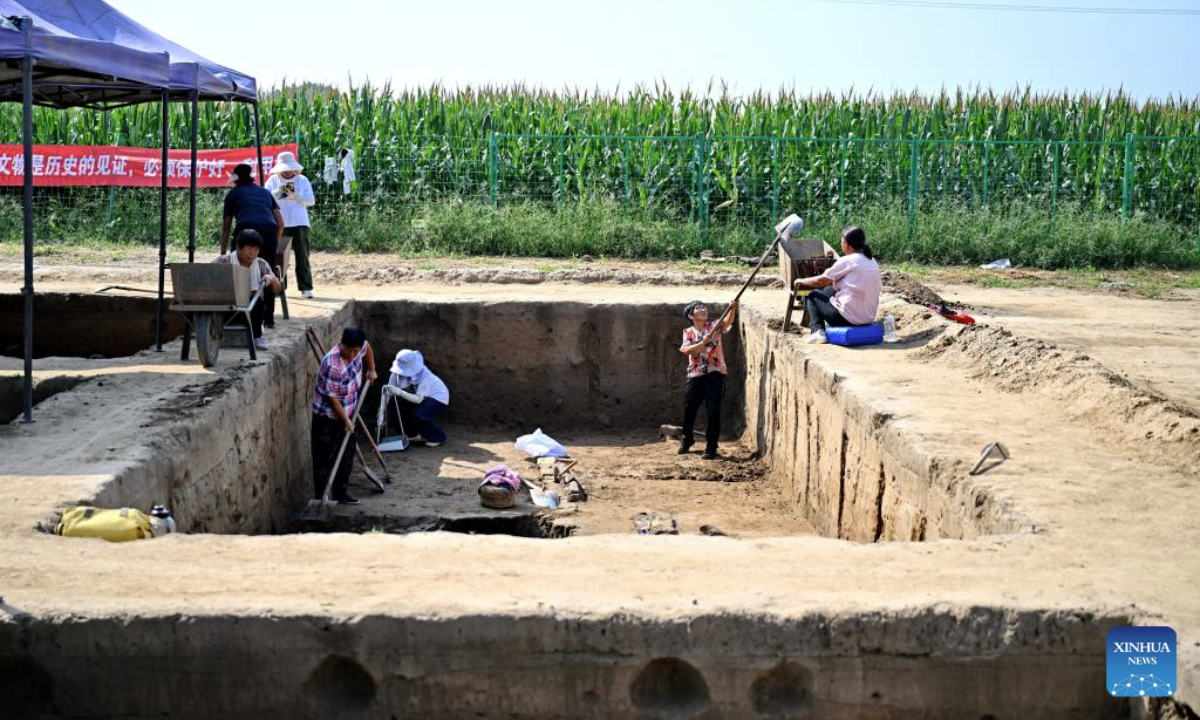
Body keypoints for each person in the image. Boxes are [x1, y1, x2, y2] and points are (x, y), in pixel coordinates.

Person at [311, 327, 377, 506]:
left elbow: (367, 347)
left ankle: (341, 493)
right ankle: (321, 499)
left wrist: (371, 369)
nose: (354, 354)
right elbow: (332, 398)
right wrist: (346, 420)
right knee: (324, 459)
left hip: (349, 412)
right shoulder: (332, 364)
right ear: (342, 345)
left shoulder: (359, 349)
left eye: (357, 350)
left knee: (347, 455)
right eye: (351, 350)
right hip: (327, 418)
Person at [221, 163, 285, 329]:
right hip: (269, 232)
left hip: (245, 230)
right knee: (267, 273)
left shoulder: (233, 194)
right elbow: (281, 223)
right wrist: (272, 243)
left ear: (235, 179)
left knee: (238, 271)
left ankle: (238, 316)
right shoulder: (265, 192)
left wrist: (223, 251)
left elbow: (226, 225)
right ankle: (268, 320)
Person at [795, 226, 882, 344]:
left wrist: (800, 280)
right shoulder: (872, 261)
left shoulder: (847, 260)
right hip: (868, 317)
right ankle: (812, 324)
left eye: (841, 241)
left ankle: (817, 332)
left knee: (813, 295)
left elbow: (821, 280)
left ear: (846, 244)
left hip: (848, 319)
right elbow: (829, 284)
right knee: (829, 289)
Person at [678, 299, 738, 460]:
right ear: (691, 315)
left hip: (715, 372)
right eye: (698, 308)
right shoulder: (688, 332)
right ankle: (687, 439)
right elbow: (688, 350)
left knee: (713, 410)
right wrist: (703, 343)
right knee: (689, 408)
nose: (703, 309)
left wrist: (732, 308)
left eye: (704, 307)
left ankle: (711, 447)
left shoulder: (714, 326)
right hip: (696, 374)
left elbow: (727, 322)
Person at [212, 230, 281, 351]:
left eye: (256, 250)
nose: (252, 253)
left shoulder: (261, 264)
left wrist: (271, 279)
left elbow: (278, 289)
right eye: (249, 248)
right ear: (239, 247)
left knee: (258, 300)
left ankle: (257, 336)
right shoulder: (223, 261)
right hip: (225, 307)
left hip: (250, 310)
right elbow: (207, 277)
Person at [264, 151, 317, 299]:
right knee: (279, 257)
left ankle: (306, 288)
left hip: (300, 222)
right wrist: (279, 192)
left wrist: (296, 196)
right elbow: (266, 199)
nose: (287, 172)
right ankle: (279, 288)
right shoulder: (272, 181)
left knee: (303, 256)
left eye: (290, 169)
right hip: (280, 223)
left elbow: (311, 201)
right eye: (284, 169)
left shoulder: (302, 180)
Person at [385, 349, 450, 447]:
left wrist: (400, 392)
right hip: (418, 396)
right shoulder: (396, 373)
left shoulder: (425, 376)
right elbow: (388, 391)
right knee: (399, 407)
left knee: (420, 414)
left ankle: (438, 437)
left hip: (437, 397)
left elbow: (418, 399)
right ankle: (412, 434)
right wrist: (381, 412)